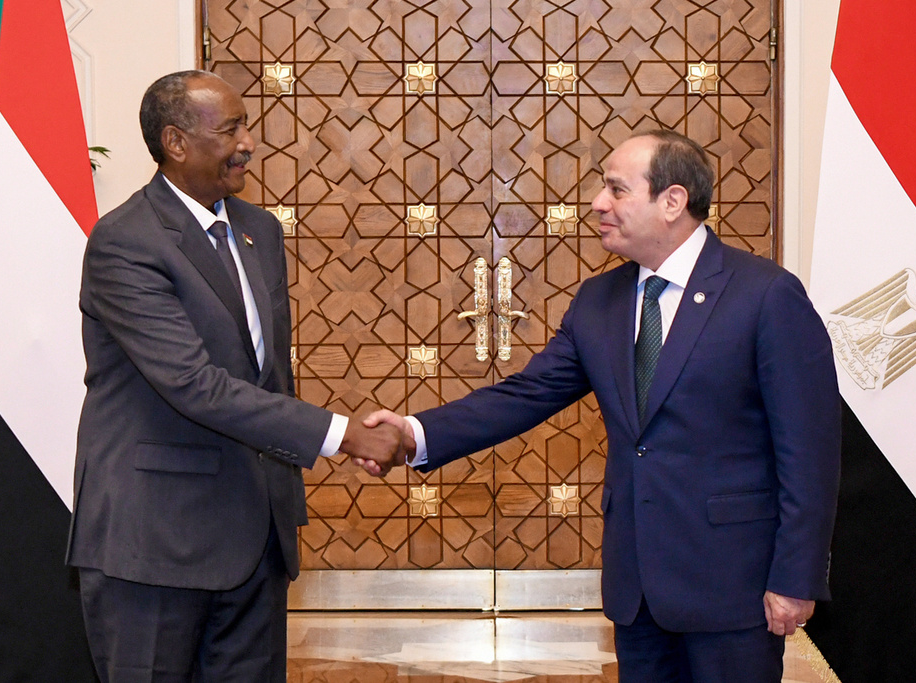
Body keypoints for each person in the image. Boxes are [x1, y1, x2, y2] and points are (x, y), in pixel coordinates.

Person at [363, 130, 841, 683]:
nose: (597, 203)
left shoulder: (765, 294)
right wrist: (413, 434)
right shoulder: (600, 300)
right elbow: (525, 395)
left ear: (672, 201)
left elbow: (810, 451)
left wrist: (795, 576)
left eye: (616, 189)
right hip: (636, 590)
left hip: (732, 587)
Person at [66, 70, 404, 682]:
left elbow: (268, 375)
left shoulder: (259, 231)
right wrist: (341, 434)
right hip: (155, 545)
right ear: (175, 142)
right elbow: (195, 383)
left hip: (256, 538)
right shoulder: (125, 242)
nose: (248, 142)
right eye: (231, 129)